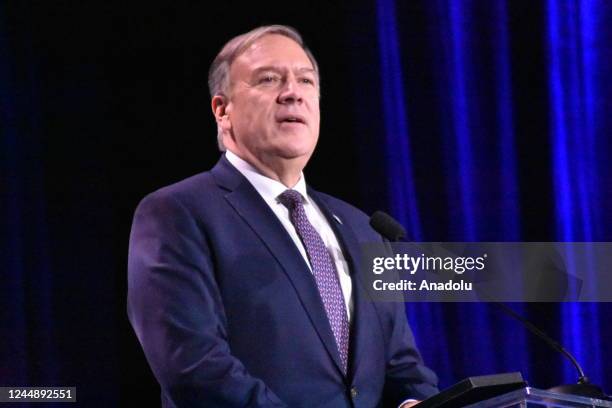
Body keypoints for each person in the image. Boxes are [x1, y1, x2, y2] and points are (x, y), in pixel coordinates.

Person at [127, 25, 438, 408]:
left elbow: (402, 369)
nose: (293, 92)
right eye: (269, 79)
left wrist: (416, 402)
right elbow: (195, 368)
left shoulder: (363, 228)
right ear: (222, 110)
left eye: (306, 80)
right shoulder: (177, 213)